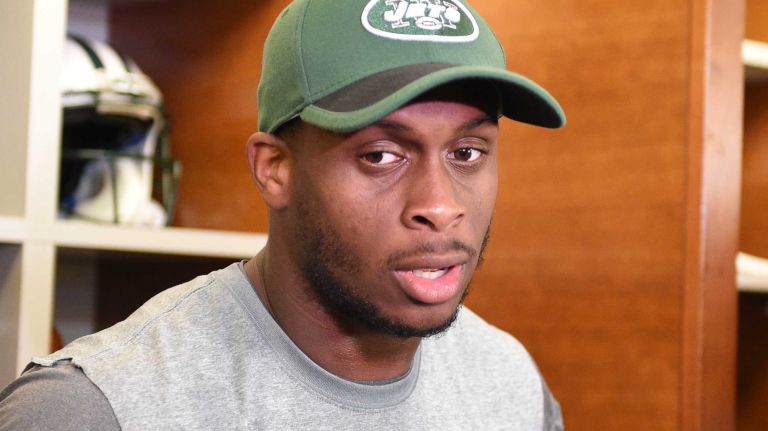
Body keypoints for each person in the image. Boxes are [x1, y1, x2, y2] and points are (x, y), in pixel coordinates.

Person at [0, 0, 566, 429]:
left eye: (466, 153)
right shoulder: (94, 409)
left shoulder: (510, 385)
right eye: (380, 156)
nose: (440, 207)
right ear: (275, 169)